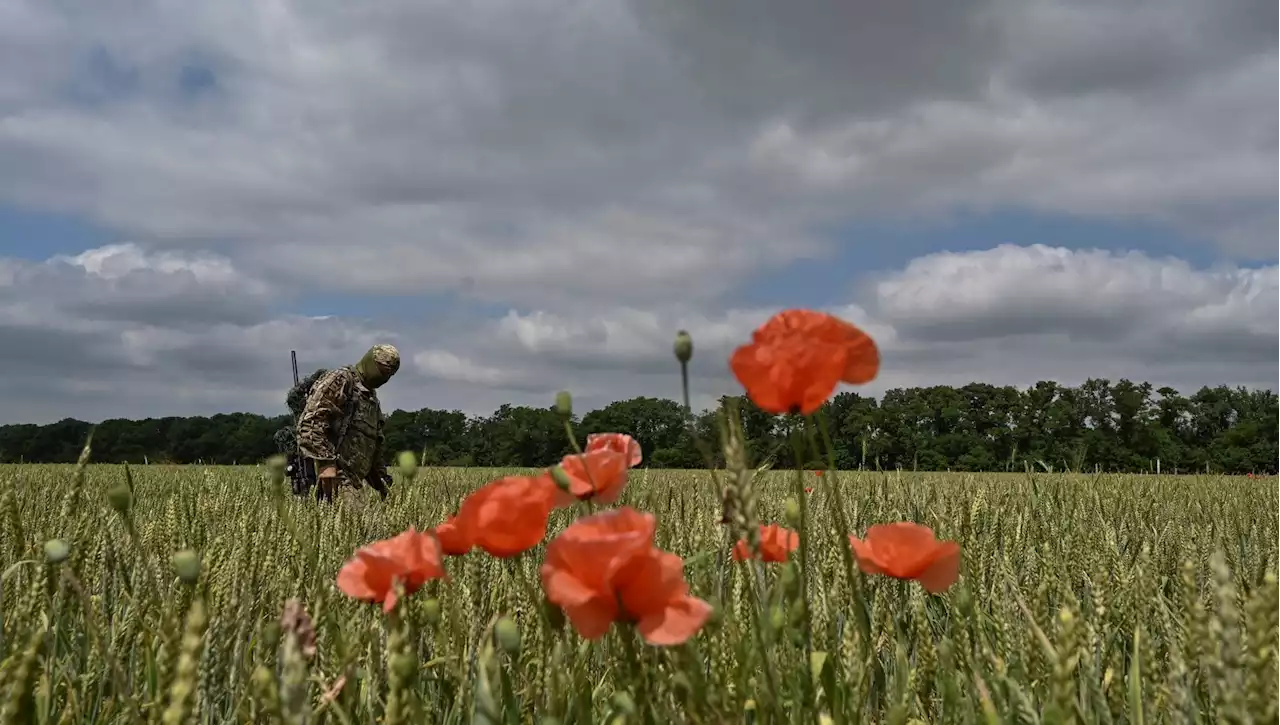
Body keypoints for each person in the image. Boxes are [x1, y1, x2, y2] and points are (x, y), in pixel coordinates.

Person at [296, 344, 400, 501]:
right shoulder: (341, 380)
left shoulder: (371, 399)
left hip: (355, 482)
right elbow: (311, 421)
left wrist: (382, 482)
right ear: (370, 362)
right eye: (382, 371)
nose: (384, 378)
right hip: (336, 476)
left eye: (389, 375)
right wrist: (326, 463)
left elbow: (373, 445)